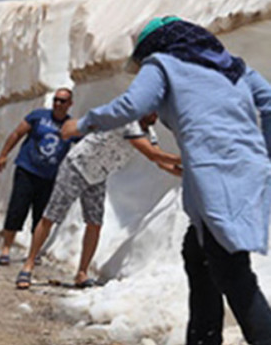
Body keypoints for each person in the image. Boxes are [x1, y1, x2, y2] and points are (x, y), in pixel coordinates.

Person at [60, 17, 271, 345]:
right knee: (198, 252)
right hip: (246, 170)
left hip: (217, 172)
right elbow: (270, 102)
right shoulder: (234, 67)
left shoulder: (164, 64)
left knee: (231, 270)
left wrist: (83, 123)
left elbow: (132, 105)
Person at [15, 112, 181, 290]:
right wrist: (182, 158)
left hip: (97, 176)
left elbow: (160, 161)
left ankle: (81, 273)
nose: (156, 116)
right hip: (77, 166)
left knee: (94, 223)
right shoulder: (128, 123)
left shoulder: (149, 133)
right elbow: (152, 154)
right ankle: (28, 265)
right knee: (51, 216)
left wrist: (183, 172)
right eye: (153, 111)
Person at [0, 88, 77, 266]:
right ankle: (6, 249)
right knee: (17, 208)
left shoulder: (71, 126)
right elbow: (17, 133)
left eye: (63, 101)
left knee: (41, 215)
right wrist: (4, 154)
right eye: (56, 100)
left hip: (48, 176)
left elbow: (83, 145)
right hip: (27, 169)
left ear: (70, 104)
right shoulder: (38, 116)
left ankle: (33, 253)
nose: (58, 104)